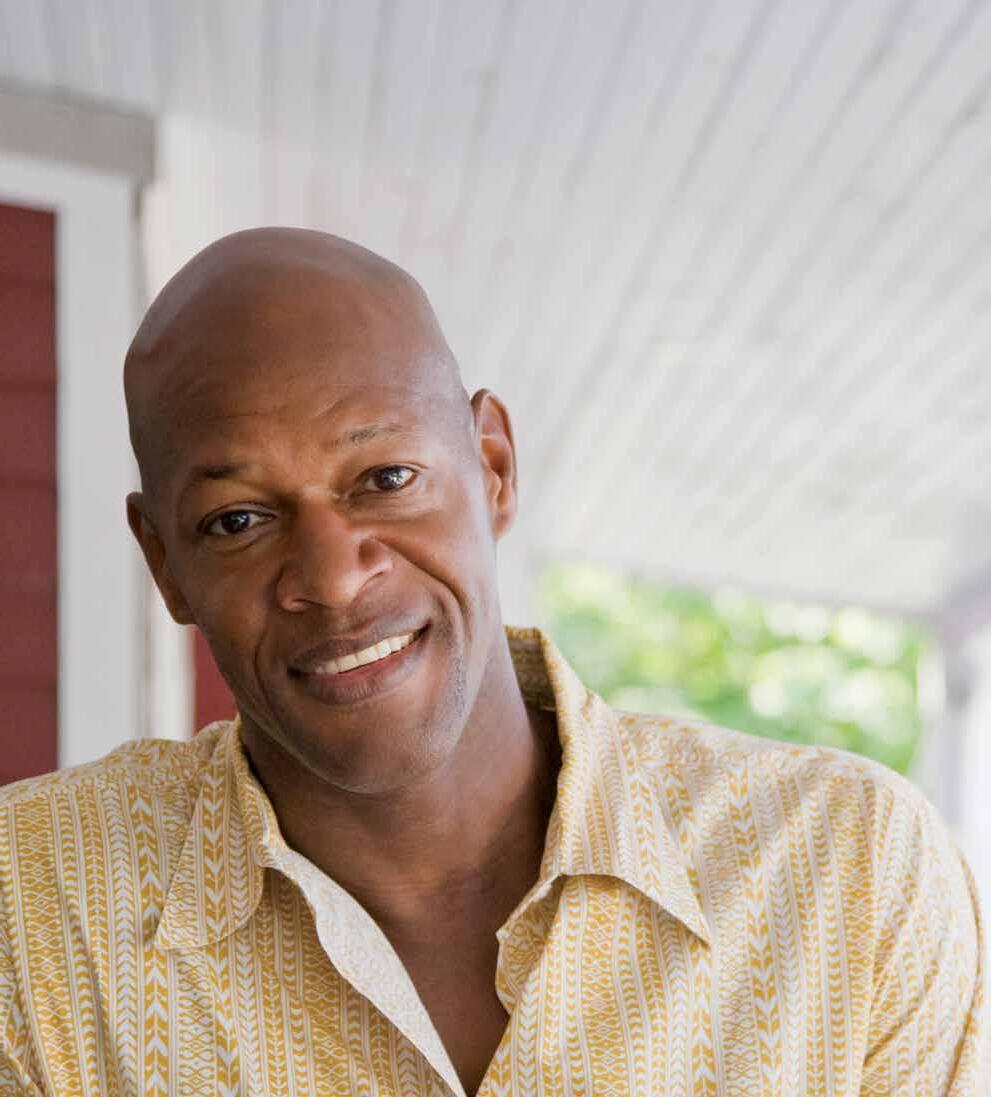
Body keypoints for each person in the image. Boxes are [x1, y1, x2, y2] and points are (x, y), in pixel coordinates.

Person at [0, 227, 985, 1096]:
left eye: (386, 476)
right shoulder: (33, 911)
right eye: (239, 520)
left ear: (494, 468)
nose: (333, 578)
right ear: (165, 564)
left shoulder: (846, 870)